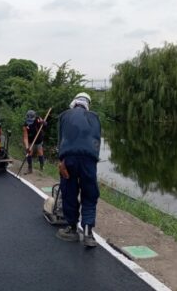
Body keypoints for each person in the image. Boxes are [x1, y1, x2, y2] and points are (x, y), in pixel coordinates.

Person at [56, 92, 101, 247]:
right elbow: (97, 141)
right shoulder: (94, 117)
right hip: (89, 160)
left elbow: (60, 139)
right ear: (87, 104)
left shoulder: (65, 116)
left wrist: (61, 161)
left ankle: (72, 228)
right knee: (89, 192)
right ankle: (88, 233)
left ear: (74, 102)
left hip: (69, 158)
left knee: (69, 190)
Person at [22, 110, 47, 174]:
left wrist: (44, 123)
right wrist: (27, 148)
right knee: (29, 153)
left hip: (38, 139)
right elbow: (25, 137)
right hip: (30, 140)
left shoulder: (38, 119)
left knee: (40, 152)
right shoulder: (25, 125)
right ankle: (30, 168)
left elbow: (45, 125)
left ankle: (42, 168)